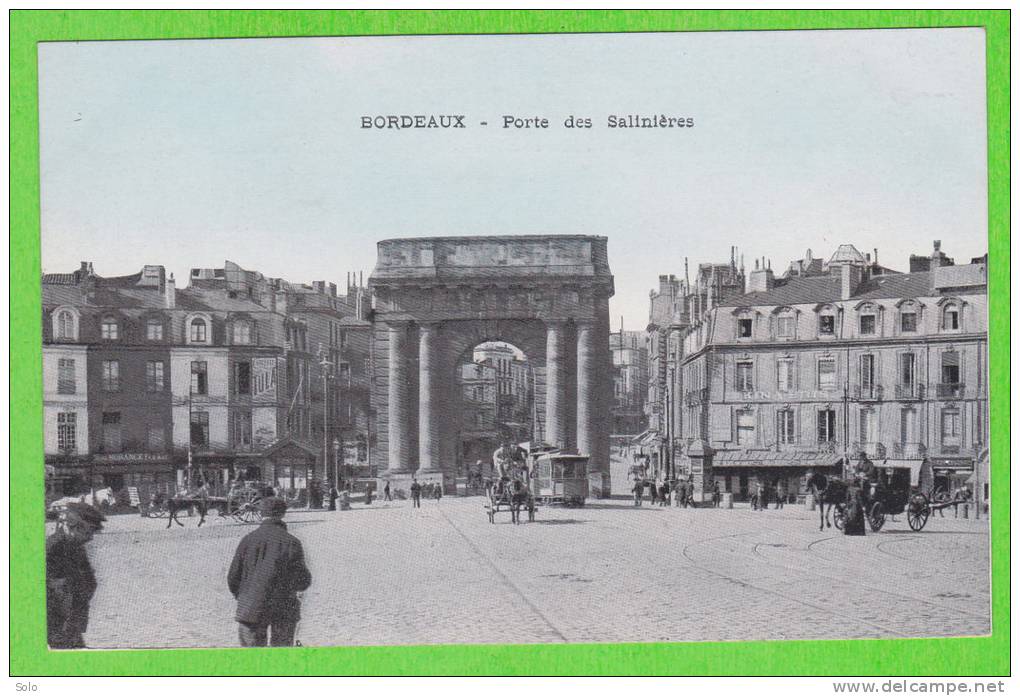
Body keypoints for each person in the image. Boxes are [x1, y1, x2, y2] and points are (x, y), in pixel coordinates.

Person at [227, 497, 312, 647]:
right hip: (284, 608)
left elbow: (233, 577)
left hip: (251, 607)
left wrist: (243, 596)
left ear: (261, 514)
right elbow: (303, 580)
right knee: (280, 660)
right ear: (283, 514)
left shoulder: (247, 540)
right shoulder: (292, 542)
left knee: (252, 662)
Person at [47, 502, 106, 648]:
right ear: (73, 525)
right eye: (89, 531)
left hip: (72, 623)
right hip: (57, 624)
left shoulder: (76, 547)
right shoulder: (52, 548)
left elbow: (89, 581)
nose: (91, 537)